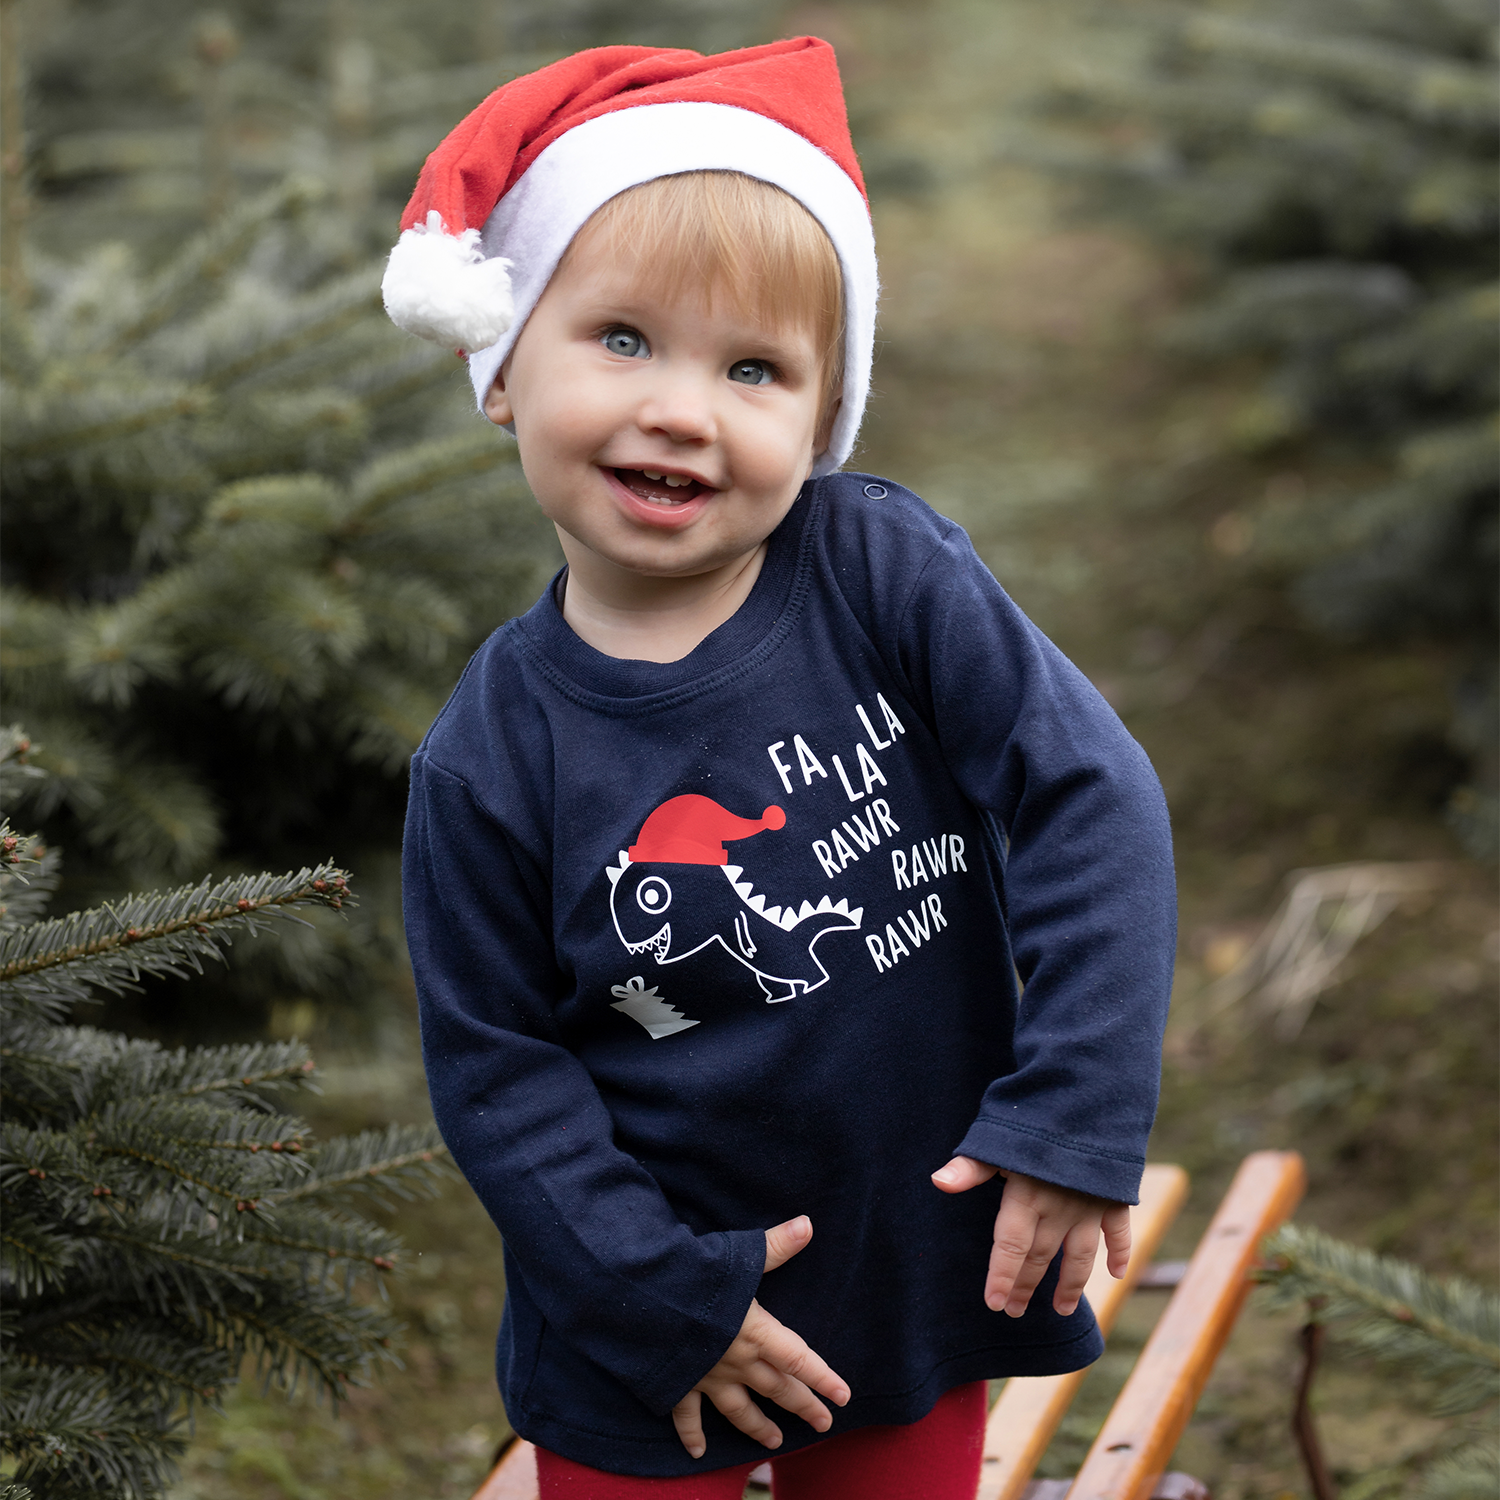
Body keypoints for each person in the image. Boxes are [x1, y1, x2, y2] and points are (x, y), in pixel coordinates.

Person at [390, 37, 1176, 1500]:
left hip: (914, 1261)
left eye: (753, 367)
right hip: (647, 1322)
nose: (684, 408)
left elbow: (1092, 800)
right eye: (622, 338)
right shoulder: (491, 756)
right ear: (500, 369)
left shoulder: (883, 573)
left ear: (820, 419)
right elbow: (500, 1077)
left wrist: (1072, 1118)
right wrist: (653, 1295)